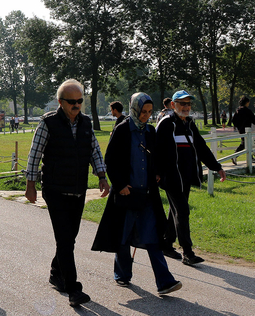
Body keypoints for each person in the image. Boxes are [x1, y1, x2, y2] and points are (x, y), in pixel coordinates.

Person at [25, 79, 110, 307]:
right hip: (55, 190)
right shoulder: (48, 124)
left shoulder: (85, 123)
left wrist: (102, 176)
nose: (77, 105)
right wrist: (30, 184)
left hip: (78, 189)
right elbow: (34, 155)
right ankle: (73, 289)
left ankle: (55, 273)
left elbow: (95, 150)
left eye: (80, 101)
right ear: (61, 102)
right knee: (64, 239)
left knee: (68, 239)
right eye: (72, 102)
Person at [91, 93, 182, 295]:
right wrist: (120, 184)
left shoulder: (150, 131)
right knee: (122, 237)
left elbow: (156, 157)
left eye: (150, 112)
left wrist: (157, 173)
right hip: (126, 194)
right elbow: (111, 160)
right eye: (143, 112)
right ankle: (122, 275)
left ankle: (165, 282)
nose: (146, 116)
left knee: (152, 237)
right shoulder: (122, 129)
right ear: (134, 109)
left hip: (147, 195)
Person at [155, 90, 226, 266]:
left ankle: (166, 243)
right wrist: (156, 172)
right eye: (182, 104)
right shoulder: (165, 124)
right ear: (173, 105)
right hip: (171, 177)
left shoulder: (189, 124)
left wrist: (216, 167)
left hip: (186, 176)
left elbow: (201, 147)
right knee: (182, 211)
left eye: (188, 104)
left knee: (176, 210)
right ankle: (187, 253)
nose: (186, 107)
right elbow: (155, 150)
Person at [232, 96, 255, 164]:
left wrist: (237, 126)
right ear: (247, 102)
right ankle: (235, 155)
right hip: (247, 129)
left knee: (247, 143)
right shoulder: (248, 111)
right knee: (245, 144)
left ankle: (250, 158)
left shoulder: (237, 110)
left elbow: (233, 120)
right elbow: (254, 120)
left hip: (241, 129)